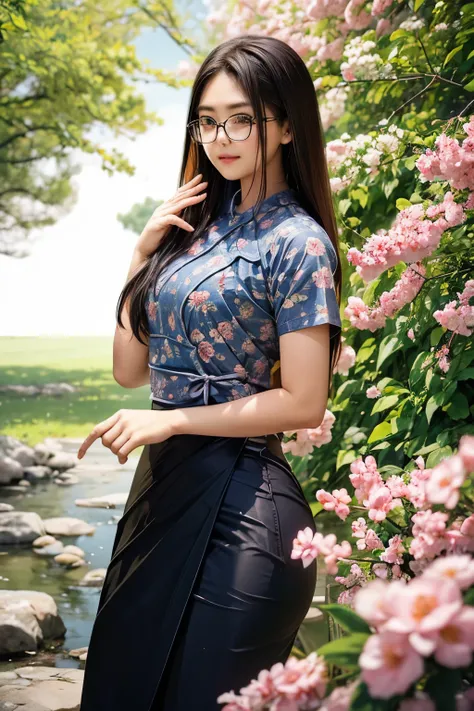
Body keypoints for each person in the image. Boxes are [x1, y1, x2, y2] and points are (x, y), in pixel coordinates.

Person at [78, 33, 342, 711]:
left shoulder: (298, 242)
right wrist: (143, 252)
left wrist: (170, 423)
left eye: (243, 118)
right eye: (208, 118)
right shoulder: (188, 231)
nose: (221, 136)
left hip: (246, 508)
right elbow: (128, 370)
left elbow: (305, 401)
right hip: (161, 496)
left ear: (284, 125)